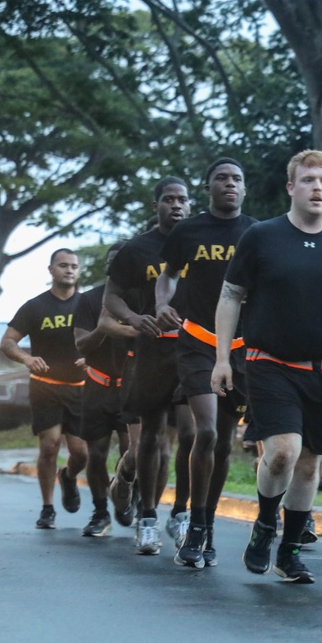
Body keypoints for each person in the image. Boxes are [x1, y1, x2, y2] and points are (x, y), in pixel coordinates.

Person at [213, 149, 322, 583]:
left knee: (309, 464)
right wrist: (222, 358)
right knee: (283, 452)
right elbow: (230, 296)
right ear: (291, 187)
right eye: (307, 180)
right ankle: (266, 524)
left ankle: (289, 551)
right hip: (269, 363)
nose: (316, 187)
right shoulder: (262, 237)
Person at [156, 158, 257, 568]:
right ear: (208, 187)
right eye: (221, 178)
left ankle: (207, 524)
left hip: (241, 346)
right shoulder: (188, 230)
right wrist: (163, 302)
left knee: (226, 439)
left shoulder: (256, 232)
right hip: (198, 340)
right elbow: (169, 274)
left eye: (237, 178)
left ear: (244, 188)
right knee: (208, 432)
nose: (229, 183)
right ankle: (194, 525)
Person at [105, 177, 196, 554]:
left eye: (182, 200)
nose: (176, 205)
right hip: (152, 351)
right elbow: (112, 297)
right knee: (153, 438)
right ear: (156, 205)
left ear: (191, 205)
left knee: (193, 434)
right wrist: (133, 318)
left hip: (194, 350)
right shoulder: (136, 250)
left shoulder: (200, 244)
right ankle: (147, 517)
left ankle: (182, 513)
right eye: (168, 199)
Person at [1, 249, 88, 529]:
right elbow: (7, 342)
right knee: (49, 446)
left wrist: (93, 358)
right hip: (45, 386)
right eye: (63, 265)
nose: (69, 270)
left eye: (74, 266)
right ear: (50, 270)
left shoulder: (88, 305)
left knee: (80, 453)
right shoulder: (35, 306)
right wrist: (27, 358)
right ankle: (48, 507)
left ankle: (69, 477)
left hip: (80, 387)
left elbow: (106, 336)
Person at [74, 242, 136, 537]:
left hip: (131, 386)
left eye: (121, 260)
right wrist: (103, 327)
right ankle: (100, 512)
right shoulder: (88, 299)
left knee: (130, 451)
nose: (115, 265)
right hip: (97, 386)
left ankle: (125, 496)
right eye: (111, 261)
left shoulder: (139, 296)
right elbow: (81, 345)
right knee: (96, 454)